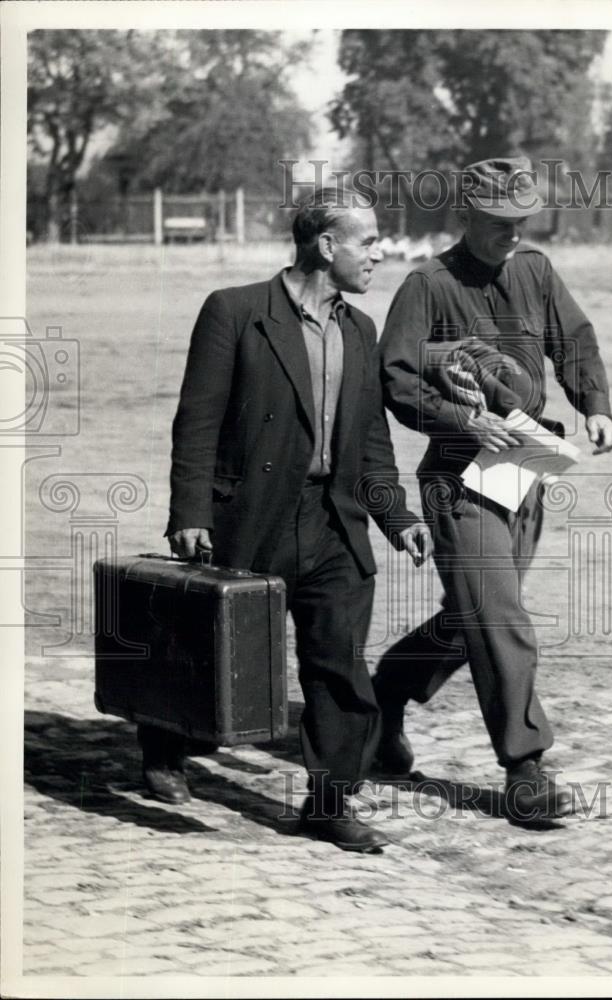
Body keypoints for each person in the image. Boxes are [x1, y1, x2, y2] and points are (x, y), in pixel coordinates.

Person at [139, 186, 432, 853]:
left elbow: (371, 444)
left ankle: (330, 802)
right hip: (249, 517)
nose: (380, 254)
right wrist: (189, 511)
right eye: (369, 241)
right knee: (215, 651)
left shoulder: (360, 331)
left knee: (337, 663)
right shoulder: (236, 312)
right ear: (327, 246)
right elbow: (198, 421)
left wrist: (397, 516)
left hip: (333, 522)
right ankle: (162, 740)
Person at [373, 156, 612, 820]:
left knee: (474, 618)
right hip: (458, 476)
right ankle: (525, 767)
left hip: (526, 464)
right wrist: (463, 418)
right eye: (501, 224)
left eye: (522, 222)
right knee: (500, 616)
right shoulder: (427, 285)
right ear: (469, 216)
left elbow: (575, 340)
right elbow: (396, 380)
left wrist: (594, 403)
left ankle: (384, 694)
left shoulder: (535, 270)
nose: (513, 234)